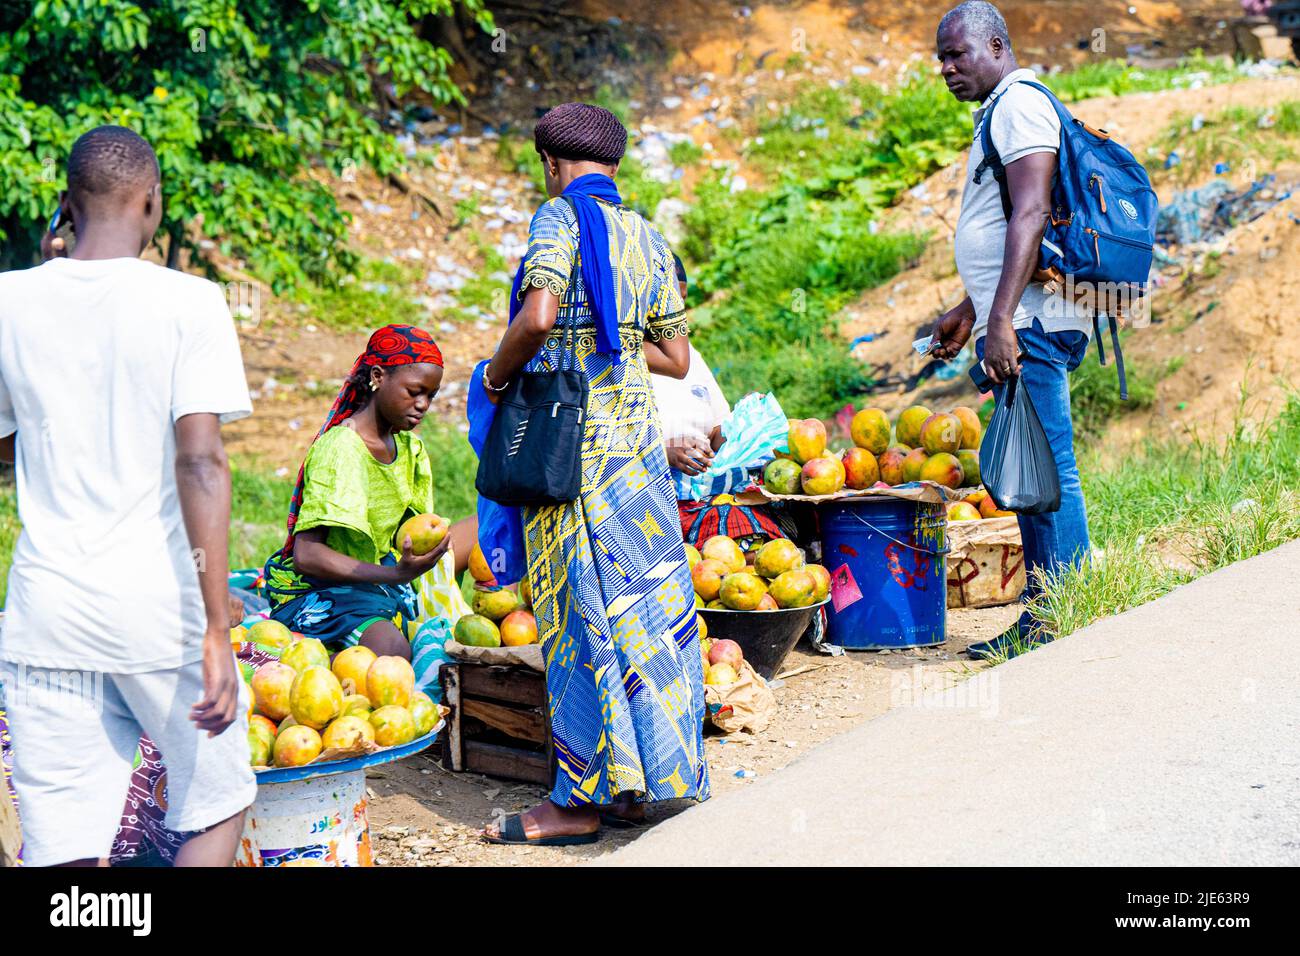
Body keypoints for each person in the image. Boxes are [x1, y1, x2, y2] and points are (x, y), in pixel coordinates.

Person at [0, 125, 255, 866]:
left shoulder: (9, 303)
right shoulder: (192, 301)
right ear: (152, 204)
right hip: (156, 607)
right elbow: (201, 461)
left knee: (66, 845)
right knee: (218, 801)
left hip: (46, 610)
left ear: (64, 206)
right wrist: (215, 627)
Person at [478, 102, 709, 845]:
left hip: (567, 453)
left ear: (552, 163)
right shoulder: (647, 237)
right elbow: (673, 357)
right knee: (644, 612)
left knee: (576, 620)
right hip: (637, 455)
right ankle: (651, 782)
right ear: (617, 166)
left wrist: (495, 378)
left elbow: (539, 315)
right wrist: (607, 339)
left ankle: (575, 804)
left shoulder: (557, 218)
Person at [928, 2, 1094, 659]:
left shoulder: (1020, 104)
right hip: (1015, 314)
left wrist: (998, 321)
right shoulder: (1000, 110)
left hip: (1032, 323)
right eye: (941, 58)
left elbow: (1031, 213)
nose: (945, 68)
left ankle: (1067, 612)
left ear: (996, 44)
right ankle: (1054, 611)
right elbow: (1006, 230)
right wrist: (969, 308)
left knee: (1049, 464)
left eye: (956, 54)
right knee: (1032, 463)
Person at [262, 325, 452, 659]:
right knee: (392, 653)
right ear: (378, 376)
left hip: (380, 577)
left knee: (480, 525)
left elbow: (408, 531)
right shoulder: (342, 449)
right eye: (414, 391)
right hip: (324, 587)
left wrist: (413, 560)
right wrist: (395, 574)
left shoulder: (409, 448)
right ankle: (320, 661)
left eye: (430, 395)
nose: (422, 404)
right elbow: (307, 556)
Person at [649, 255, 794, 549]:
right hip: (661, 500)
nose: (678, 312)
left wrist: (747, 427)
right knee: (743, 536)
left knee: (797, 513)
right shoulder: (620, 360)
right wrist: (665, 453)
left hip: (709, 488)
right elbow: (604, 445)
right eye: (668, 302)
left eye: (683, 301)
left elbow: (717, 432)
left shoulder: (689, 356)